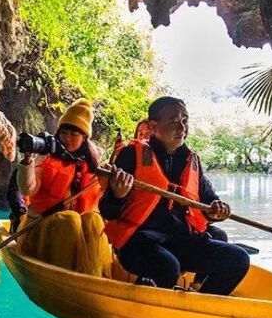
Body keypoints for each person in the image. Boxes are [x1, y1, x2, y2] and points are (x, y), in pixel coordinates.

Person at [99, 96, 250, 295]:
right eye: (173, 121)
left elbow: (208, 201)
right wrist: (118, 195)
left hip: (181, 239)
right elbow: (107, 210)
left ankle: (200, 308)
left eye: (185, 120)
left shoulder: (192, 160)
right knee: (168, 267)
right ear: (153, 126)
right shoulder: (132, 155)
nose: (182, 127)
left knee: (238, 259)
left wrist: (216, 211)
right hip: (139, 242)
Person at [16, 98, 112, 277]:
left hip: (78, 237)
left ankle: (94, 277)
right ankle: (63, 278)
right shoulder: (46, 156)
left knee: (93, 220)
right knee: (69, 220)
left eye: (74, 134)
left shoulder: (93, 166)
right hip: (41, 230)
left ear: (84, 138)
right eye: (64, 132)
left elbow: (102, 204)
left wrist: (109, 183)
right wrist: (28, 159)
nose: (67, 138)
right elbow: (27, 189)